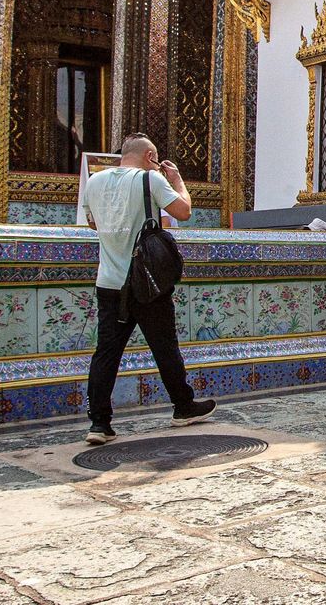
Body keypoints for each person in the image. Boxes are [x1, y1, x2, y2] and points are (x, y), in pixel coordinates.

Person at [80, 133, 215, 444]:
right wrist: (177, 179)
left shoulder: (94, 182)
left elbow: (92, 223)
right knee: (165, 348)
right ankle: (183, 406)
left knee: (106, 353)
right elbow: (183, 211)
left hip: (110, 282)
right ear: (150, 156)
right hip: (147, 282)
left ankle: (99, 424)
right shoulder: (149, 180)